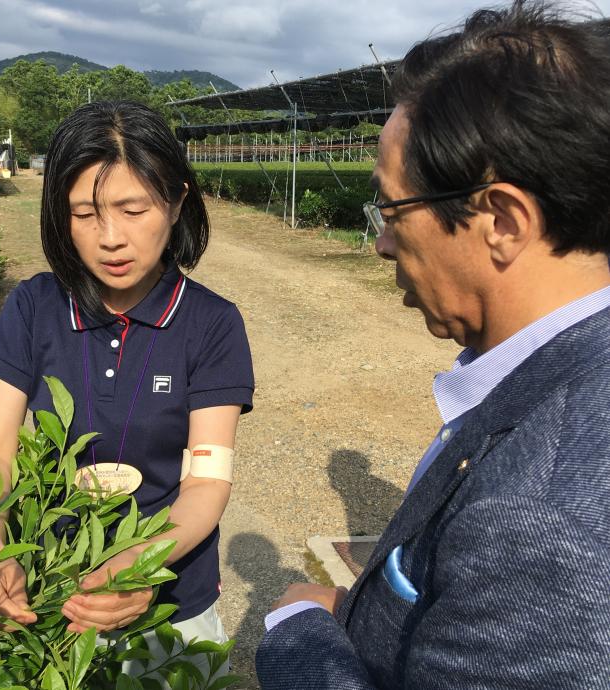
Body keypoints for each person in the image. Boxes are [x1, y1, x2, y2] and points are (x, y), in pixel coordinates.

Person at [256, 2, 610, 688]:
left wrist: (296, 634)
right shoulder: (558, 378)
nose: (384, 242)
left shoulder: (541, 520)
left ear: (502, 220)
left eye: (392, 211)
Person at [0, 101, 254, 677]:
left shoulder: (212, 325)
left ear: (177, 202)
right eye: (84, 213)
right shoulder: (34, 307)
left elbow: (205, 480)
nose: (110, 238)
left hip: (168, 598)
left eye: (133, 208)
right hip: (43, 596)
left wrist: (137, 567)